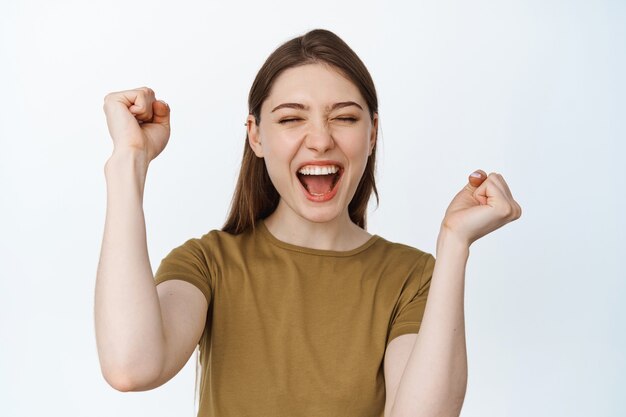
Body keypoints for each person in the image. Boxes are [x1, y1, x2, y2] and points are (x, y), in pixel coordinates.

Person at [95, 29, 522, 417]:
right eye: (291, 118)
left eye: (345, 117)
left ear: (372, 133)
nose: (320, 139)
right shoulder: (208, 264)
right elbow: (130, 366)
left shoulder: (412, 278)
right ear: (256, 135)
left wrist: (454, 244)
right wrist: (128, 162)